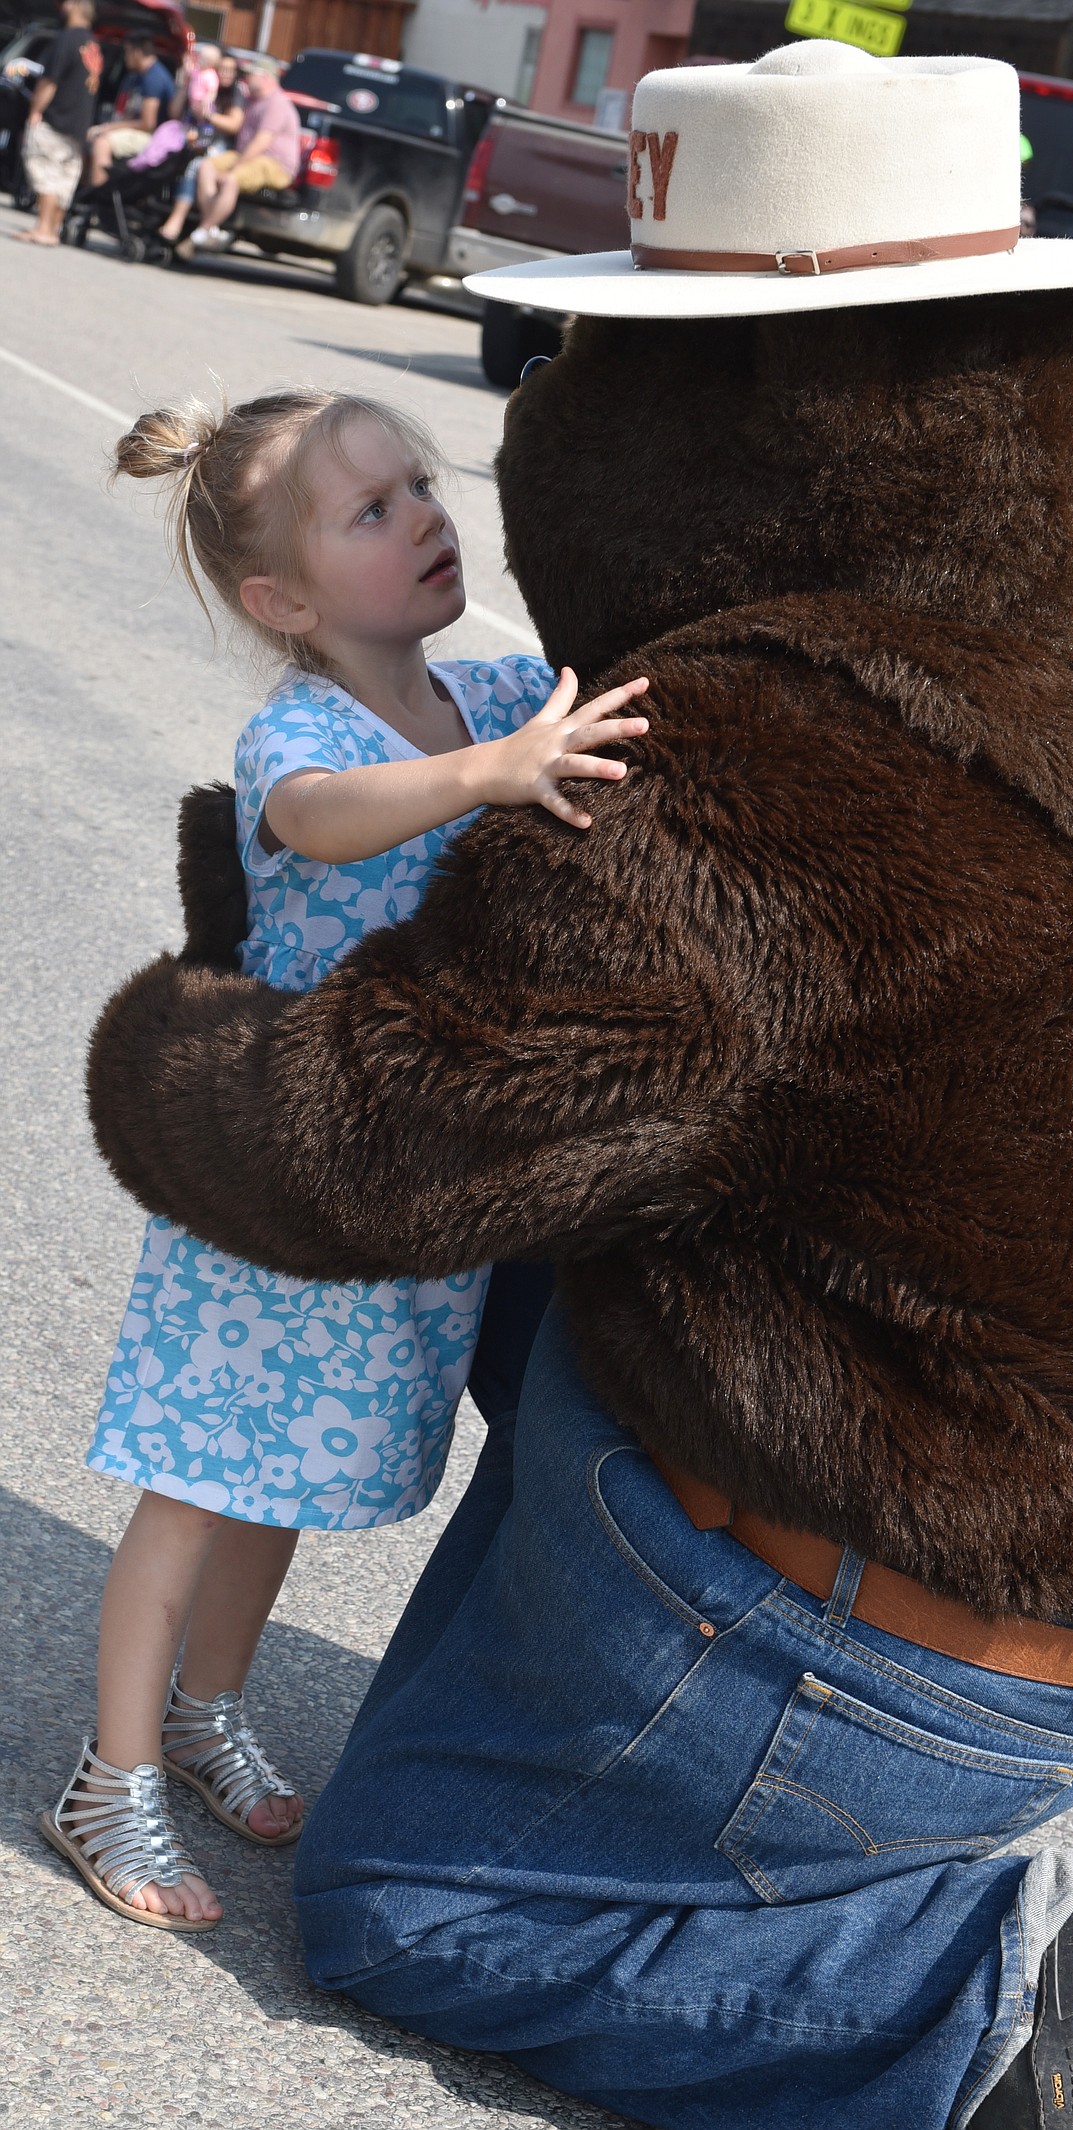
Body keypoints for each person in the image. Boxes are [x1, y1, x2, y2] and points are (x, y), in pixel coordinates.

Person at [82, 41, 1073, 2129]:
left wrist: (183, 1027)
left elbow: (347, 1159)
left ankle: (975, 2007)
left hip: (876, 1624)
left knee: (414, 1901)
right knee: (614, 1183)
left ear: (713, 421)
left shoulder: (722, 780)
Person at [40, 385, 649, 1935]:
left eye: (422, 485)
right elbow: (317, 821)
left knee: (282, 1481)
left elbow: (609, 690)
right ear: (284, 599)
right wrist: (485, 775)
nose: (425, 517)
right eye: (371, 509)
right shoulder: (305, 732)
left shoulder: (496, 684)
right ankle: (108, 1777)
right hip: (278, 1179)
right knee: (195, 1484)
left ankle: (208, 1707)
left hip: (399, 1192)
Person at [175, 62, 299, 259]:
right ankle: (210, 227)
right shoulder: (253, 101)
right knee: (205, 166)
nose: (246, 79)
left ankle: (199, 234)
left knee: (230, 180)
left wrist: (235, 168)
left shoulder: (276, 103)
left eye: (251, 75)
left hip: (273, 163)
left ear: (266, 78)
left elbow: (261, 142)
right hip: (246, 155)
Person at [14, 0, 100, 247]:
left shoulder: (67, 39)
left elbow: (50, 80)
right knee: (65, 177)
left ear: (74, 6)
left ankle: (43, 228)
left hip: (57, 117)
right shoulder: (92, 45)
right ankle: (53, 230)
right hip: (79, 122)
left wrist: (35, 111)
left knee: (44, 169)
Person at [156, 50, 245, 248]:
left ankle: (179, 219)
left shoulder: (235, 94)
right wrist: (186, 84)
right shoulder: (202, 84)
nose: (227, 74)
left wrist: (208, 116)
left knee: (195, 165)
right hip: (191, 139)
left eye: (231, 70)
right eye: (223, 69)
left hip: (218, 146)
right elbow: (175, 112)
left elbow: (234, 124)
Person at [86, 35, 174, 188]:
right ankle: (82, 194)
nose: (125, 57)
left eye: (127, 52)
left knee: (102, 143)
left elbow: (148, 124)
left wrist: (107, 128)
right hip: (136, 131)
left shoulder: (154, 78)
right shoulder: (135, 77)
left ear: (137, 53)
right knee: (90, 137)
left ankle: (99, 198)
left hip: (153, 139)